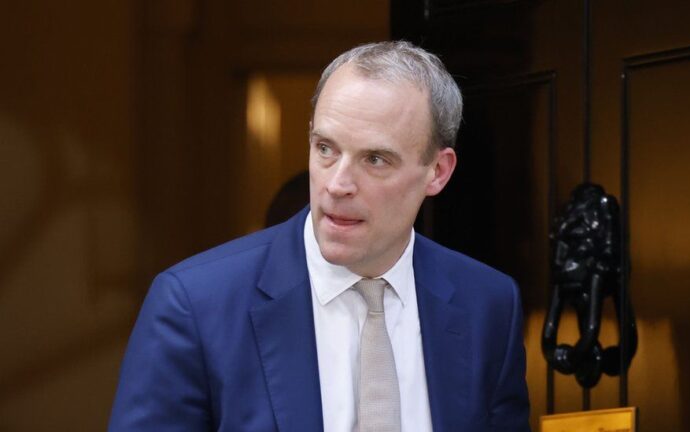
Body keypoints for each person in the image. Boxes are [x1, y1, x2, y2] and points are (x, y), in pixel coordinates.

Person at [109, 41, 530, 432]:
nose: (337, 184)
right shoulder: (195, 305)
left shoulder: (489, 306)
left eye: (375, 159)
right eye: (326, 148)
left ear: (438, 171)